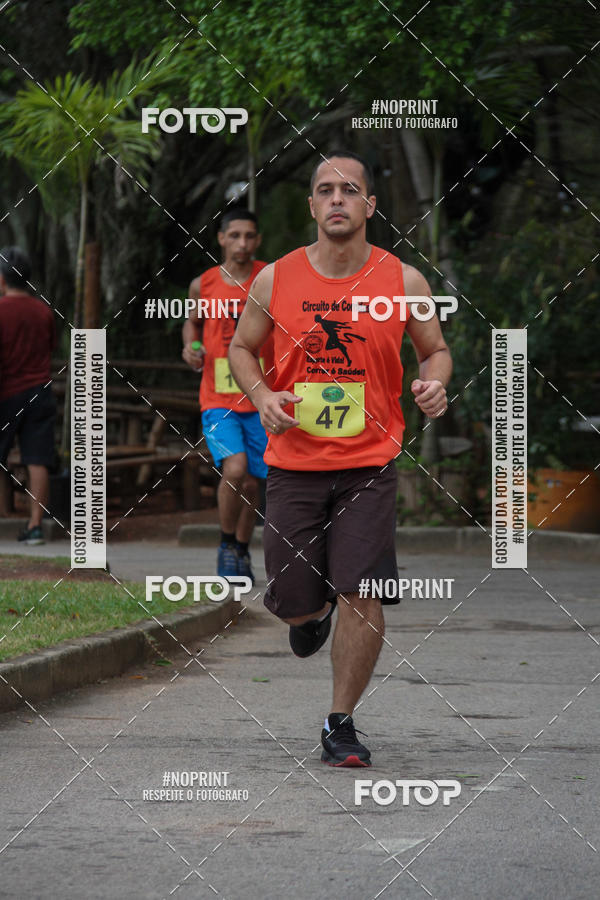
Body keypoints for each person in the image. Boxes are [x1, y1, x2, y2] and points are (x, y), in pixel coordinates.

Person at [229, 151, 452, 767]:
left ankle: (340, 722)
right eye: (324, 190)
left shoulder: (403, 280)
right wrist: (262, 394)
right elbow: (242, 347)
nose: (336, 200)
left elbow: (434, 350)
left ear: (369, 206)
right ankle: (310, 612)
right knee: (296, 599)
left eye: (349, 190)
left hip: (369, 465)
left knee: (364, 589)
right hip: (295, 466)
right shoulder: (276, 278)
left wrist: (434, 382)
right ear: (311, 206)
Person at [182, 208, 269, 583]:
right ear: (220, 238)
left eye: (249, 236)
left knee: (253, 481)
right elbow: (193, 323)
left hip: (262, 396)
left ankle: (240, 548)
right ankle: (224, 543)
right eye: (235, 235)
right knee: (234, 469)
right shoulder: (203, 284)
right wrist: (193, 347)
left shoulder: (270, 278)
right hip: (217, 398)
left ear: (258, 240)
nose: (243, 244)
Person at [0, 246, 56, 545]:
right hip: (39, 392)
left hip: (6, 392)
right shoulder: (44, 311)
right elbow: (49, 347)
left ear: (2, 280)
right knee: (38, 460)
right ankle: (35, 526)